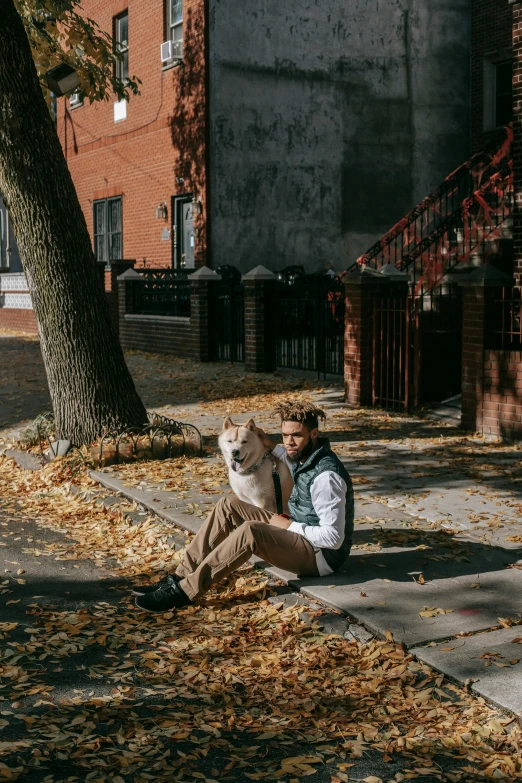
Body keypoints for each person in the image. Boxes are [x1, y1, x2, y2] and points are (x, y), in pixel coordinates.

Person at [134, 401, 354, 613]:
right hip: (300, 535)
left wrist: (288, 526)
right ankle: (180, 577)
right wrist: (270, 445)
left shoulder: (327, 477)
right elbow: (292, 462)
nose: (289, 442)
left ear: (314, 434)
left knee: (251, 531)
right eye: (285, 435)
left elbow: (333, 539)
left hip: (321, 558)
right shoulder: (307, 456)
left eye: (296, 435)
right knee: (227, 505)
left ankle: (185, 591)